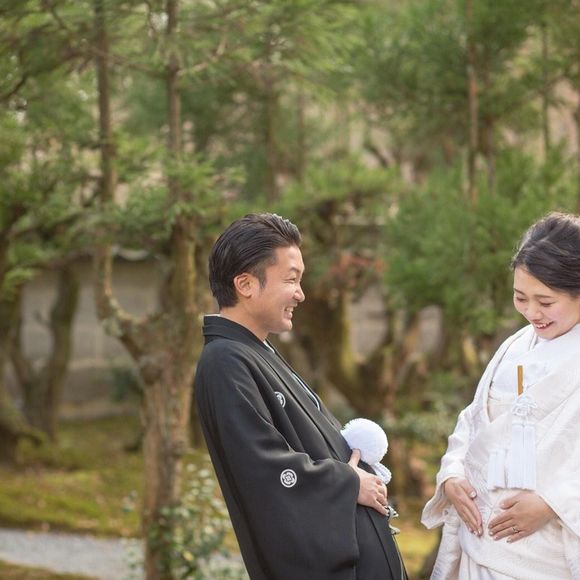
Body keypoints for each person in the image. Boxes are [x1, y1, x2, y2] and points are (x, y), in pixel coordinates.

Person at [195, 213, 406, 580]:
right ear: (245, 284)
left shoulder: (255, 352)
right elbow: (264, 469)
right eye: (291, 279)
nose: (301, 294)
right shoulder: (225, 361)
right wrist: (348, 482)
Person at [422, 212, 580, 579]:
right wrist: (453, 473)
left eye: (545, 302)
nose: (531, 313)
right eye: (520, 298)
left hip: (547, 556)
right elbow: (474, 419)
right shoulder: (515, 345)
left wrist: (553, 504)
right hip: (479, 540)